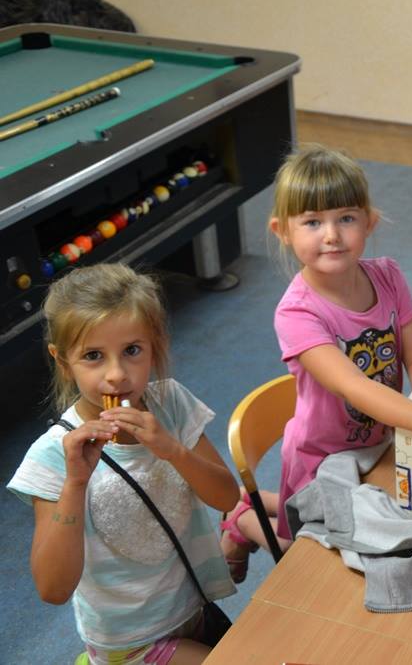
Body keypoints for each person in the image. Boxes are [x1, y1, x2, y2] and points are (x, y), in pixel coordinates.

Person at [250, 144, 412, 552]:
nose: (331, 235)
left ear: (369, 222)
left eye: (346, 218)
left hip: (381, 443)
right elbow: (355, 387)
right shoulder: (297, 313)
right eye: (312, 222)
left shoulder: (388, 276)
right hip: (322, 460)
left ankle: (264, 503)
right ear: (282, 231)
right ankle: (241, 521)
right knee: (300, 550)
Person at [7, 263, 239, 665]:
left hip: (193, 607)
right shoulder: (52, 456)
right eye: (93, 356)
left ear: (154, 344)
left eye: (132, 350)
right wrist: (75, 484)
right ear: (63, 361)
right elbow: (53, 589)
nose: (116, 375)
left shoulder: (171, 403)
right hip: (130, 642)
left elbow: (226, 497)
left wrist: (172, 450)